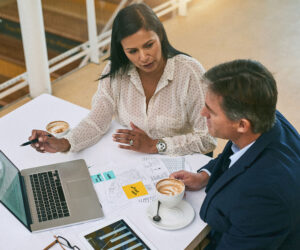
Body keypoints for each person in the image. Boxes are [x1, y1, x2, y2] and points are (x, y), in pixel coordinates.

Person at [29, 3, 216, 155]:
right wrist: (64, 143)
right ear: (122, 50)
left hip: (181, 165)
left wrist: (156, 145)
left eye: (149, 45)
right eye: (132, 51)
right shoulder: (115, 71)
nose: (143, 57)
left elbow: (207, 139)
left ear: (160, 35)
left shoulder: (190, 73)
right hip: (132, 160)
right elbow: (98, 118)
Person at [171, 59, 300, 249]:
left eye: (211, 111)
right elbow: (235, 154)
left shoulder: (264, 196)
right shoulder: (264, 117)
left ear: (241, 124)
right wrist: (204, 176)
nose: (202, 113)